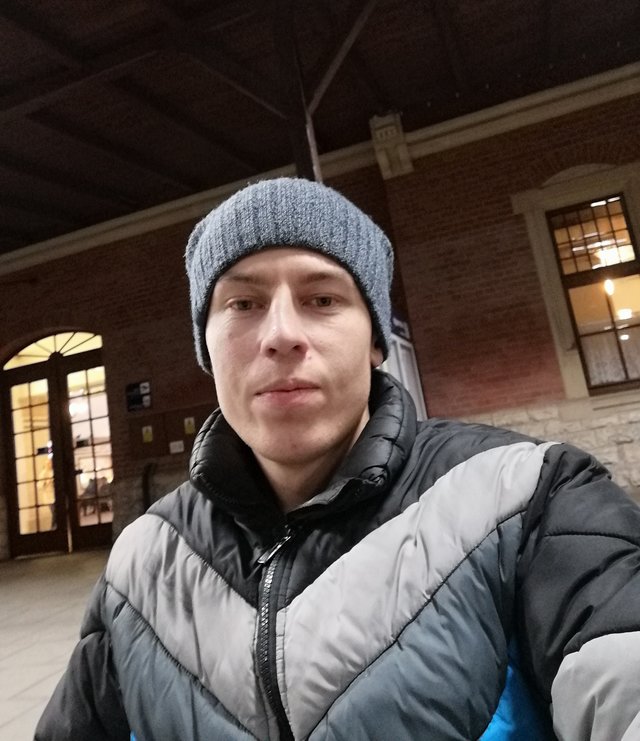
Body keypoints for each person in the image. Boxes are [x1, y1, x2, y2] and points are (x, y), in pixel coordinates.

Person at [36, 176, 640, 741]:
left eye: (322, 298)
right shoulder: (144, 561)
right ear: (207, 348)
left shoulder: (529, 496)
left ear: (375, 340)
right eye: (242, 304)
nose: (281, 334)